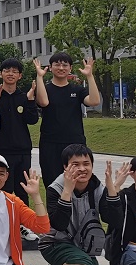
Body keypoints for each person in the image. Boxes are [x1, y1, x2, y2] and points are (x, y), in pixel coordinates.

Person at [39, 145, 121, 265]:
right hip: (55, 244)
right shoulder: (55, 188)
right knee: (81, 264)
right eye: (75, 164)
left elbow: (113, 220)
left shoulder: (98, 188)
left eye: (86, 163)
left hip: (84, 248)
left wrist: (112, 190)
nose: (82, 169)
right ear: (65, 167)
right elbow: (59, 224)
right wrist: (68, 190)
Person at [0, 58, 40, 242]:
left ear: (20, 76)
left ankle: (23, 225)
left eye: (14, 71)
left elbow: (32, 120)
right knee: (3, 189)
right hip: (1, 150)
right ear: (0, 73)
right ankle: (3, 225)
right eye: (7, 70)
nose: (10, 74)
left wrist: (31, 100)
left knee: (22, 189)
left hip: (22, 150)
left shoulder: (24, 96)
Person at [35, 53, 100, 199]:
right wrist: (39, 77)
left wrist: (90, 76)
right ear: (50, 67)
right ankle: (54, 213)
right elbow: (43, 102)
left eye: (65, 65)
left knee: (78, 183)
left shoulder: (77, 90)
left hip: (75, 143)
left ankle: (78, 212)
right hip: (50, 144)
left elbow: (94, 101)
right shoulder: (45, 88)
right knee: (52, 183)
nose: (61, 68)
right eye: (57, 64)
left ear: (70, 68)